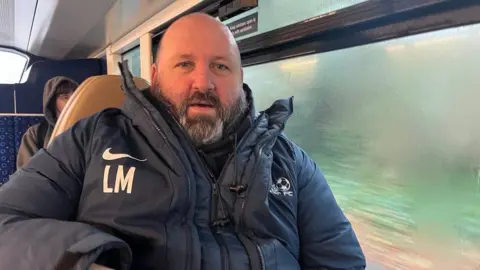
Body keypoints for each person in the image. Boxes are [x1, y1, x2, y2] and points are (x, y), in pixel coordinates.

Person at [0, 13, 366, 270]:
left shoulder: (291, 163)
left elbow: (342, 261)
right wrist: (82, 261)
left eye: (221, 66)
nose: (203, 83)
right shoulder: (94, 139)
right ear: (155, 76)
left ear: (241, 78)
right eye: (185, 64)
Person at [16, 76, 79, 169]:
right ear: (52, 102)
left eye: (75, 96)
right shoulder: (36, 133)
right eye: (65, 97)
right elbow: (27, 174)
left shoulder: (88, 129)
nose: (72, 101)